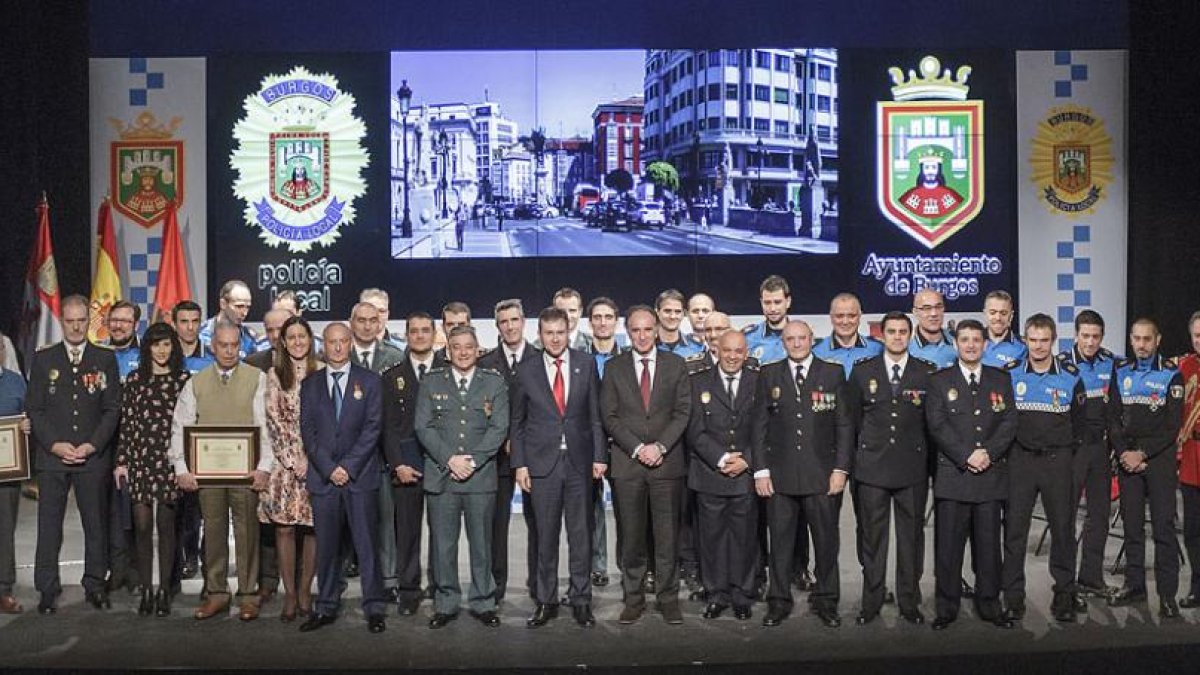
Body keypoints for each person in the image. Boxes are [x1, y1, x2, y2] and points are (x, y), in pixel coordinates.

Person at [169, 321, 274, 621]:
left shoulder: (258, 378)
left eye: (233, 345)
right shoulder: (196, 382)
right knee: (212, 532)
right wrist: (182, 468)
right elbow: (181, 427)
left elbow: (266, 428)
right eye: (222, 345)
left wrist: (264, 467)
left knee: (248, 533)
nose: (229, 351)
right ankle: (216, 593)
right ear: (212, 347)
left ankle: (248, 595)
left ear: (240, 346)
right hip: (207, 474)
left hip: (246, 472)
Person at [751, 320, 852, 628]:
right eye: (790, 339)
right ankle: (779, 601)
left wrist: (841, 468)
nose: (796, 344)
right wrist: (760, 470)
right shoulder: (769, 374)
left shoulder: (832, 373)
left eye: (801, 338)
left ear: (812, 339)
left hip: (822, 476)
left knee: (826, 543)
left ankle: (826, 600)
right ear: (783, 342)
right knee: (780, 545)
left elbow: (844, 426)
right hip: (780, 477)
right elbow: (759, 426)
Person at [512, 307, 607, 628]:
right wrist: (520, 464)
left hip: (580, 464)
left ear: (569, 332)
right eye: (548, 333)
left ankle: (581, 600)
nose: (555, 338)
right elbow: (518, 424)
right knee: (545, 537)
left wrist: (599, 456)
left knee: (581, 537)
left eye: (560, 332)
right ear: (540, 335)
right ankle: (546, 600)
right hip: (542, 466)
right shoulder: (526, 370)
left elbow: (596, 416)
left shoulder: (585, 363)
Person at [26, 295, 121, 614]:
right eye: (71, 320)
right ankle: (47, 588)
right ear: (62, 322)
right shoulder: (44, 360)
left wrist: (92, 445)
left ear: (88, 322)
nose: (77, 326)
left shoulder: (104, 358)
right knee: (49, 525)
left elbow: (111, 409)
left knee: (95, 524)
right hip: (53, 458)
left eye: (82, 320)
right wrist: (54, 444)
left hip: (92, 456)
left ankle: (95, 584)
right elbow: (35, 410)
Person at [844, 311, 935, 625]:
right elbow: (852, 422)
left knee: (911, 540)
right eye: (892, 331)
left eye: (902, 331)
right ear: (881, 335)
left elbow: (931, 424)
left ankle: (909, 602)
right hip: (872, 469)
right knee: (872, 538)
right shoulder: (861, 372)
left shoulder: (926, 373)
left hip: (912, 469)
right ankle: (871, 602)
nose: (897, 336)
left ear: (910, 334)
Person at [925, 319, 1017, 630]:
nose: (971, 345)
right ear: (956, 344)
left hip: (990, 476)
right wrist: (967, 456)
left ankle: (990, 605)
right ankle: (946, 608)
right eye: (964, 339)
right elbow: (937, 425)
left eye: (977, 339)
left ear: (985, 344)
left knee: (989, 548)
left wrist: (988, 453)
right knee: (948, 549)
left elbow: (1008, 423)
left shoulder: (1000, 379)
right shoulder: (939, 381)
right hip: (954, 477)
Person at [602, 305, 691, 626]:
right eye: (635, 330)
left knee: (667, 539)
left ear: (656, 330)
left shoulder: (676, 365)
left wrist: (661, 446)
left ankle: (668, 599)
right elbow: (609, 416)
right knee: (632, 538)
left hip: (667, 466)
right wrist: (639, 448)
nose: (641, 335)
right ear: (628, 331)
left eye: (647, 329)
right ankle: (634, 599)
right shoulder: (614, 368)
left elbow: (683, 412)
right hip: (628, 466)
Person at [416, 326, 509, 629]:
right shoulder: (431, 382)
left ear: (478, 349)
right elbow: (423, 426)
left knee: (482, 544)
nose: (464, 352)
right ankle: (445, 603)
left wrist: (473, 460)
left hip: (480, 477)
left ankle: (483, 601)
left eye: (469, 346)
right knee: (443, 546)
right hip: (443, 476)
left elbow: (499, 427)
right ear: (448, 351)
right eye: (457, 347)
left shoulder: (493, 383)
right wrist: (450, 459)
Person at [298, 322, 387, 634]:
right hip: (324, 479)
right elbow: (308, 432)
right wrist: (328, 467)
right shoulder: (310, 385)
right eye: (331, 342)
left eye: (342, 341)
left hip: (360, 477)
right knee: (327, 547)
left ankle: (374, 607)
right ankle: (325, 606)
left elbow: (373, 428)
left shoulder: (371, 381)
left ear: (351, 343)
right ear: (324, 345)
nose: (337, 347)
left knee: (366, 546)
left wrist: (347, 467)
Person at [1000, 314, 1087, 624]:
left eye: (1044, 340)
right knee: (1014, 532)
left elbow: (1081, 423)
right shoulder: (1008, 375)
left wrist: (1065, 456)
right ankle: (1012, 598)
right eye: (1032, 340)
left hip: (1057, 461)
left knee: (1063, 530)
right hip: (1020, 461)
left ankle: (1064, 595)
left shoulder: (1070, 375)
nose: (1038, 346)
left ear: (1053, 341)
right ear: (1025, 340)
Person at [1108, 318, 1184, 617]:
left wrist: (1142, 453)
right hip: (1128, 460)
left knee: (1164, 529)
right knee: (1132, 528)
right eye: (1136, 339)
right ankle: (1135, 586)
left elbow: (1172, 426)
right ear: (1130, 339)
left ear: (1158, 340)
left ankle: (1167, 596)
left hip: (1159, 460)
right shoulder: (1121, 372)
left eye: (1147, 339)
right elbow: (1112, 418)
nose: (1141, 344)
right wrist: (1124, 452)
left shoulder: (1171, 375)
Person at [114, 322, 190, 617]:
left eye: (167, 344)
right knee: (142, 526)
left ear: (173, 347)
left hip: (170, 461)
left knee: (167, 526)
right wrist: (122, 461)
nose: (161, 350)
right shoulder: (135, 379)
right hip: (140, 460)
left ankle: (164, 591)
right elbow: (127, 423)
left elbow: (188, 425)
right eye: (156, 344)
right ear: (147, 347)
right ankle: (146, 589)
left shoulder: (183, 379)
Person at [686, 330, 759, 621]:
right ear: (717, 350)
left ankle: (742, 594)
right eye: (726, 350)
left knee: (744, 537)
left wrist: (747, 460)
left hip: (745, 473)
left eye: (738, 351)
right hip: (709, 472)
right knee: (712, 538)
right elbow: (694, 429)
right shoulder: (697, 382)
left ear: (746, 352)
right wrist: (721, 458)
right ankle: (717, 594)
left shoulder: (758, 381)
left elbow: (765, 427)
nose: (731, 356)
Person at [381, 311, 445, 616]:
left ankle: (441, 584)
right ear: (406, 336)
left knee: (441, 531)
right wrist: (397, 465)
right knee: (406, 533)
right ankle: (408, 589)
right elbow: (388, 428)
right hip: (407, 468)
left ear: (434, 335)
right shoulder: (392, 376)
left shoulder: (449, 371)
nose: (420, 336)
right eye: (414, 331)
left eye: (425, 331)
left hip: (440, 466)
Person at [1059, 310, 1124, 600]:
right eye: (1085, 335)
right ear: (1075, 335)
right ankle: (1066, 584)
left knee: (1099, 515)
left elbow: (1115, 411)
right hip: (1072, 450)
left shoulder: (1110, 362)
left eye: (1095, 336)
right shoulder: (1061, 364)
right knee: (1066, 516)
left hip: (1100, 449)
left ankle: (1091, 578)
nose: (1090, 342)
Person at [258, 316, 319, 622]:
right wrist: (290, 458)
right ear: (283, 341)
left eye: (302, 336)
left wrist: (311, 458)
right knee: (284, 529)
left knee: (312, 529)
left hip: (316, 463)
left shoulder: (320, 371)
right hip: (284, 466)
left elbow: (326, 421)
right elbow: (272, 420)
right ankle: (290, 596)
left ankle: (306, 590)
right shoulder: (273, 374)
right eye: (291, 337)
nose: (297, 342)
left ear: (310, 339)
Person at [477, 299, 538, 604]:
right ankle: (496, 587)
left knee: (540, 523)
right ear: (497, 326)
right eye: (504, 322)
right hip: (497, 458)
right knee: (496, 527)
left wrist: (522, 442)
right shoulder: (486, 363)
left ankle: (541, 585)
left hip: (536, 456)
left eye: (515, 320)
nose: (510, 326)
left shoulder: (541, 358)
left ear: (523, 321)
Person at [584, 296, 626, 588]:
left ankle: (629, 568)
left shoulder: (627, 356)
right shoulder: (579, 358)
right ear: (590, 323)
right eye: (597, 317)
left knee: (627, 511)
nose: (602, 322)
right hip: (588, 444)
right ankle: (597, 566)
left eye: (608, 317)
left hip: (624, 443)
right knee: (592, 508)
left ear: (616, 321)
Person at [0, 336, 30, 614]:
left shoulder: (15, 381)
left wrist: (26, 425)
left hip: (6, 473)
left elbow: (28, 415)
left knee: (4, 530)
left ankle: (4, 589)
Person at [1179, 312, 1200, 608]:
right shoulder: (1183, 366)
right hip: (1192, 460)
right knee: (1193, 530)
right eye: (1197, 335)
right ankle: (1197, 585)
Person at [812, 293, 884, 377]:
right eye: (839, 316)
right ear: (831, 317)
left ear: (860, 316)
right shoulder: (815, 351)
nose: (845, 322)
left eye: (851, 316)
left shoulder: (878, 348)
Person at [198, 280, 259, 358]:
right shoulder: (200, 333)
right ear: (223, 304)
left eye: (247, 307)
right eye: (239, 306)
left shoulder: (251, 338)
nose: (245, 313)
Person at [743, 275, 792, 365]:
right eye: (767, 303)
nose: (772, 308)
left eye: (777, 302)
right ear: (761, 302)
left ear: (788, 302)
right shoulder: (748, 338)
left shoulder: (801, 338)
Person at [898, 154, 962, 219]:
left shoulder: (950, 193)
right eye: (927, 167)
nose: (930, 171)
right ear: (922, 170)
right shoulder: (911, 194)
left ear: (939, 170)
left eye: (934, 167)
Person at [910, 288, 957, 368]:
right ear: (915, 312)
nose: (934, 313)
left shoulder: (958, 342)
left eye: (938, 307)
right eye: (927, 308)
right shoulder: (906, 345)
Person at [981, 291, 1027, 368]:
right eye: (993, 312)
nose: (998, 318)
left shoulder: (1023, 347)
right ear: (985, 313)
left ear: (1011, 316)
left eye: (1003, 313)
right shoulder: (970, 343)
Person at [655, 289, 704, 357]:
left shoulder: (697, 349)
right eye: (667, 311)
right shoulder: (647, 346)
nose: (672, 316)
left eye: (677, 312)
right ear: (657, 312)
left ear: (683, 313)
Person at [101, 300, 142, 381]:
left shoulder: (147, 351)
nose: (118, 325)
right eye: (114, 320)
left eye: (124, 321)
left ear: (136, 325)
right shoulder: (97, 351)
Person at [551, 287, 592, 351]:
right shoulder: (539, 345)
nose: (567, 316)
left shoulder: (591, 344)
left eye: (572, 310)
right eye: (562, 311)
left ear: (580, 312)